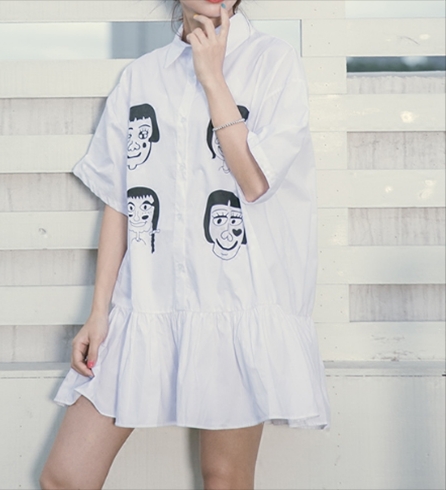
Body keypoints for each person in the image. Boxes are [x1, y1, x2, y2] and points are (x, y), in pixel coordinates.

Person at [40, 0, 330, 488]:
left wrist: (212, 76)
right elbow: (120, 200)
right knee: (66, 477)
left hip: (234, 306)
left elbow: (255, 182)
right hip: (143, 306)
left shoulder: (272, 61)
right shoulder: (141, 76)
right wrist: (99, 313)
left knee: (225, 478)